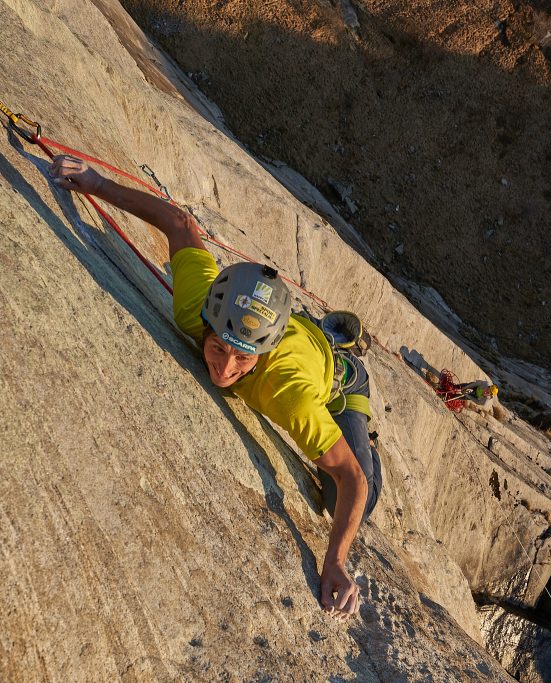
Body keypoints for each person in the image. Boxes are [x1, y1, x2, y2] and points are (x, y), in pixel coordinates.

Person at [48, 154, 381, 620]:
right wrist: (95, 183)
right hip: (282, 330)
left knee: (350, 504)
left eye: (242, 359)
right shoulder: (199, 309)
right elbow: (180, 225)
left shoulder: (289, 394)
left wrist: (335, 561)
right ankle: (314, 335)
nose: (223, 369)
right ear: (210, 323)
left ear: (261, 356)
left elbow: (351, 477)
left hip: (337, 387)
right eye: (219, 348)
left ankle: (344, 369)